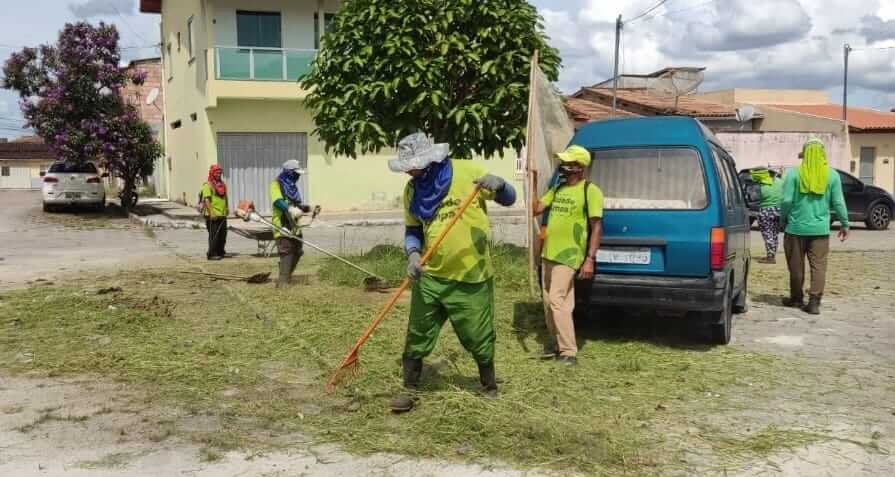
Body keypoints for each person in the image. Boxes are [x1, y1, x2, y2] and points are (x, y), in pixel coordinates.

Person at [387, 132, 517, 413]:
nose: (409, 171)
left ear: (430, 159)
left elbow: (510, 199)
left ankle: (489, 386)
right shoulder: (412, 191)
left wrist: (501, 185)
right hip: (430, 277)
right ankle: (409, 388)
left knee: (478, 336)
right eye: (407, 167)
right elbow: (413, 229)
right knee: (417, 333)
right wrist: (413, 254)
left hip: (471, 276)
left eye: (414, 165)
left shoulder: (467, 172)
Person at [532, 145, 603, 365]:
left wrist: (589, 259)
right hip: (549, 253)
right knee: (550, 302)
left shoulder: (590, 190)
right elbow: (536, 209)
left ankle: (569, 351)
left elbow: (597, 226)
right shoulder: (558, 188)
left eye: (567, 163)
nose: (562, 166)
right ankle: (558, 344)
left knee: (556, 300)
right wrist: (532, 183)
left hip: (569, 255)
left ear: (579, 167)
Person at [781, 138, 849, 315]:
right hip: (820, 231)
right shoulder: (832, 175)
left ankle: (796, 298)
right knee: (818, 267)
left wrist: (782, 219)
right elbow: (838, 202)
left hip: (795, 229)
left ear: (804, 154)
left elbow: (786, 200)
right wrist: (845, 223)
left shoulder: (794, 174)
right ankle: (814, 302)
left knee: (796, 266)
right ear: (822, 154)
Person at [270, 160, 313, 289]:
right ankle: (283, 282)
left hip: (295, 225)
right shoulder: (276, 184)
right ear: (289, 173)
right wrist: (289, 209)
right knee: (287, 251)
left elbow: (296, 204)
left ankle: (286, 274)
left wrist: (307, 208)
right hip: (282, 224)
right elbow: (277, 201)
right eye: (296, 173)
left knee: (297, 251)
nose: (298, 176)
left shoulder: (292, 187)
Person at [752, 168, 784, 264]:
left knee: (768, 234)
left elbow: (754, 197)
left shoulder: (762, 184)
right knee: (774, 234)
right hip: (779, 210)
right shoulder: (781, 182)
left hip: (766, 211)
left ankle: (770, 257)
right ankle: (772, 254)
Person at [201, 164, 229, 261]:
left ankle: (220, 251)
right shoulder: (207, 185)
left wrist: (227, 207)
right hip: (212, 214)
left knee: (223, 235)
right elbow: (207, 200)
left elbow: (225, 197)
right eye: (217, 172)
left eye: (220, 173)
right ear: (212, 173)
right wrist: (212, 212)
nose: (219, 174)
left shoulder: (222, 184)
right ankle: (211, 254)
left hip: (222, 214)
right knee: (214, 235)